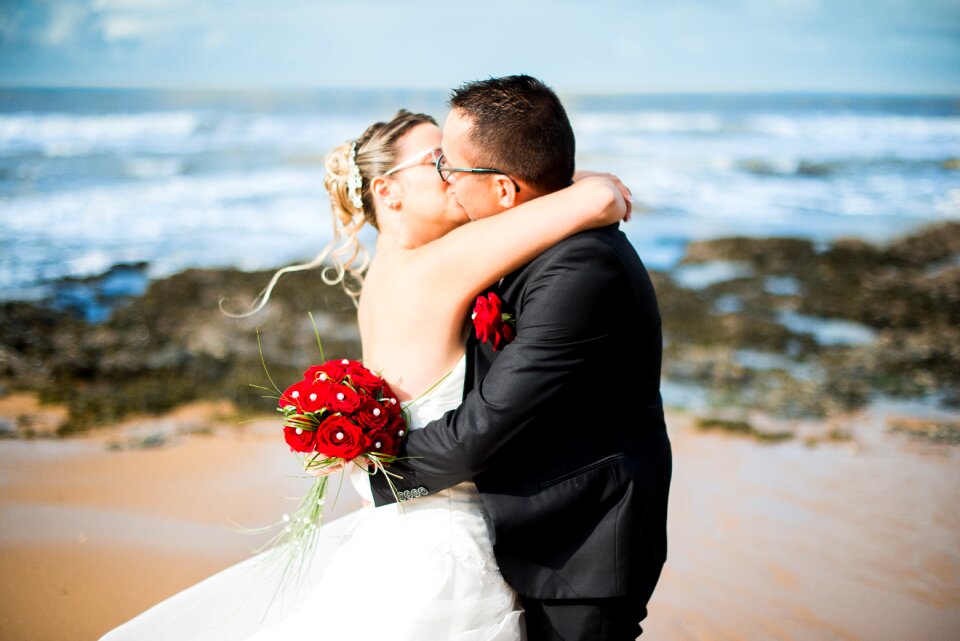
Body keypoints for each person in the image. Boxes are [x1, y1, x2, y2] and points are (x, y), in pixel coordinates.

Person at [99, 103, 630, 640]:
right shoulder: (437, 268)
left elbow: (526, 191)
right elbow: (591, 198)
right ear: (388, 192)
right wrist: (587, 182)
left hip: (407, 524)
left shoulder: (392, 269)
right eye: (436, 161)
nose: (456, 172)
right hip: (445, 543)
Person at [366, 75, 672, 641]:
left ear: (505, 190)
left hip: (583, 550)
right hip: (531, 533)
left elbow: (488, 424)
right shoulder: (517, 239)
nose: (446, 183)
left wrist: (383, 477)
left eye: (449, 168)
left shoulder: (581, 270)